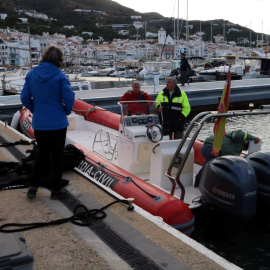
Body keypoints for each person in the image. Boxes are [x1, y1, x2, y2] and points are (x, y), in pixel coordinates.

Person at [20, 46, 75, 200]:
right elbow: (69, 98)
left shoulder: (31, 74)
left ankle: (32, 188)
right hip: (58, 122)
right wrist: (65, 110)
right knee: (57, 156)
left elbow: (24, 98)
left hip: (40, 122)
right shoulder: (60, 76)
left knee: (42, 154)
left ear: (44, 57)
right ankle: (56, 190)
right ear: (59, 60)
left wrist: (35, 109)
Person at [194, 129, 261, 187]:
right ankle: (214, 186)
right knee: (219, 168)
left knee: (208, 163)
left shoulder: (238, 150)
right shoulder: (239, 139)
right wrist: (253, 138)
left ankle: (198, 180)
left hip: (208, 147)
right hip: (213, 147)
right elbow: (239, 133)